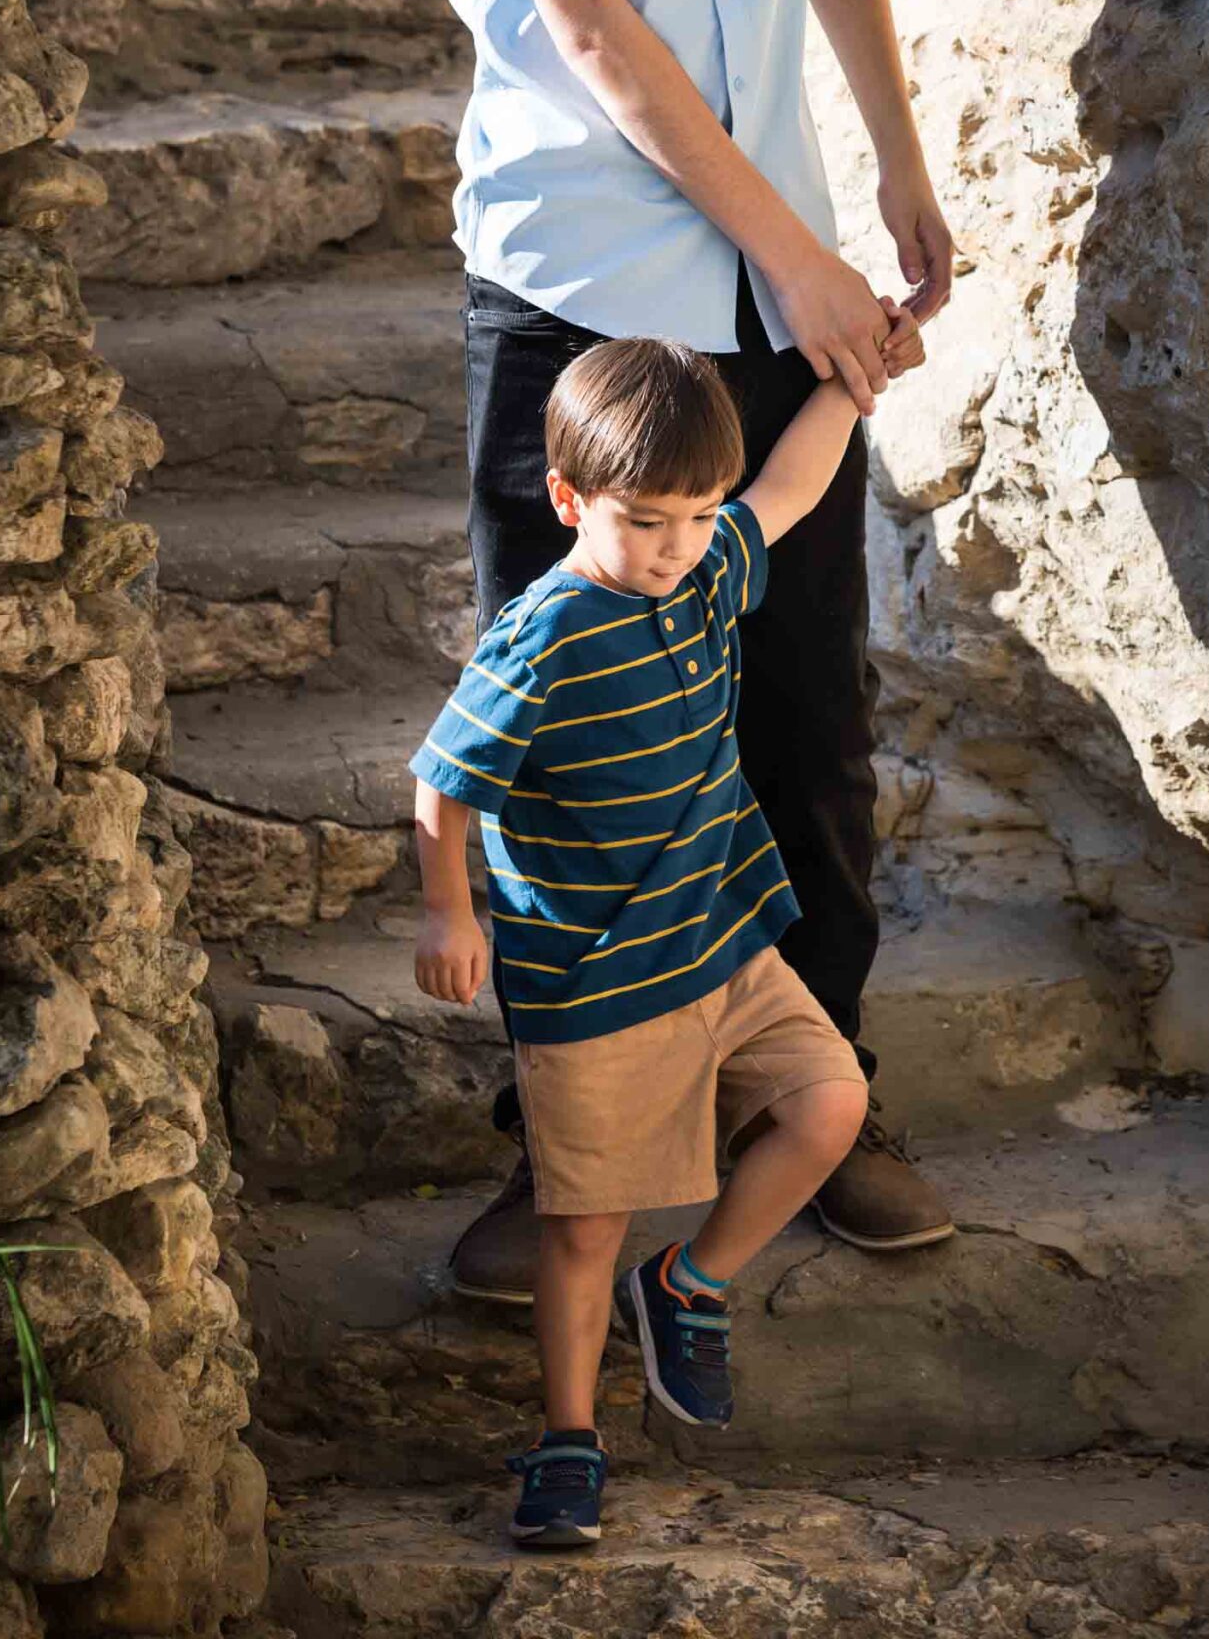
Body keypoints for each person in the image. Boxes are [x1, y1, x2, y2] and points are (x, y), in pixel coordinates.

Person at [430, 0, 957, 1302]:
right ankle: (555, 1146)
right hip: (579, 283)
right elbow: (596, 42)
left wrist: (896, 161)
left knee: (798, 711)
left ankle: (818, 1094)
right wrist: (798, 250)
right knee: (568, 734)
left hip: (779, 260)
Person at [410, 329, 924, 1545]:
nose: (676, 546)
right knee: (581, 1228)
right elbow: (441, 781)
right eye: (645, 520)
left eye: (694, 517)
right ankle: (569, 1437)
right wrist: (448, 910)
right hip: (594, 984)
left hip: (725, 944)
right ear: (570, 499)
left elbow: (787, 488)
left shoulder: (705, 569)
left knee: (830, 1105)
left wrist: (852, 383)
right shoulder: (544, 637)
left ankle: (688, 1281)